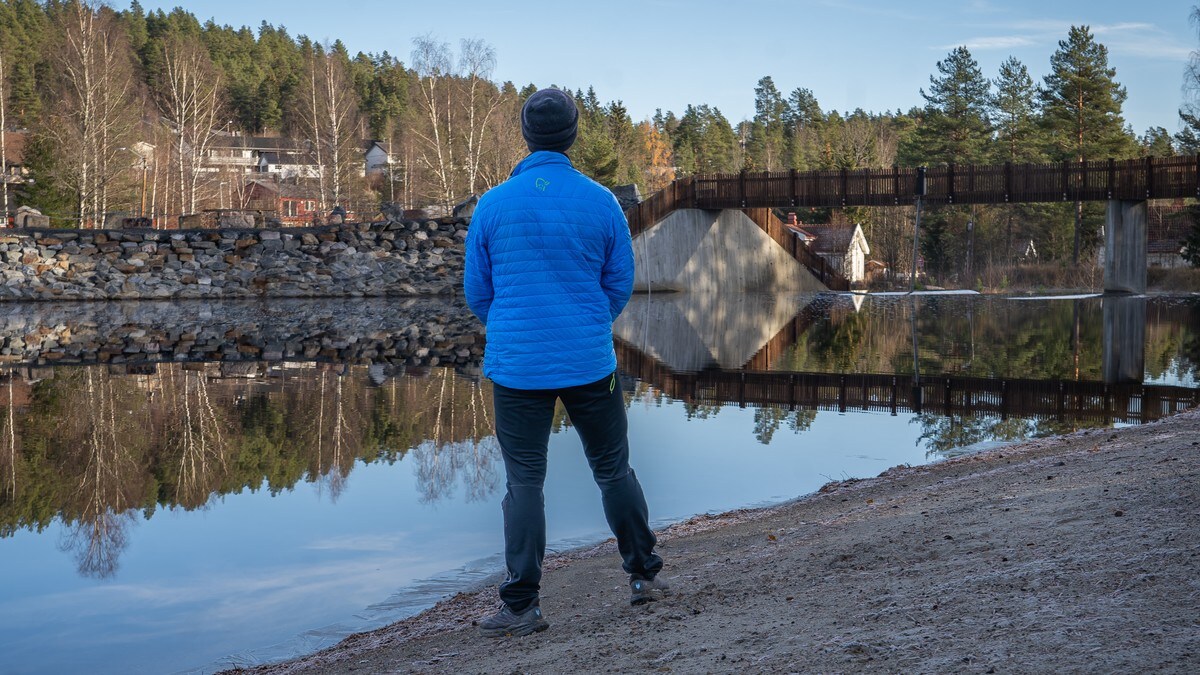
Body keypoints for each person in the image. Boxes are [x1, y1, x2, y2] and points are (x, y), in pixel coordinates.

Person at [464, 87, 668, 638]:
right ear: (573, 136)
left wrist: (514, 327)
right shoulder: (601, 200)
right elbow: (619, 284)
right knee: (613, 469)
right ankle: (644, 575)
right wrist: (584, 322)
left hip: (517, 367)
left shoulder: (493, 204)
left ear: (526, 137)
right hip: (588, 362)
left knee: (524, 482)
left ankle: (523, 605)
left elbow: (478, 292)